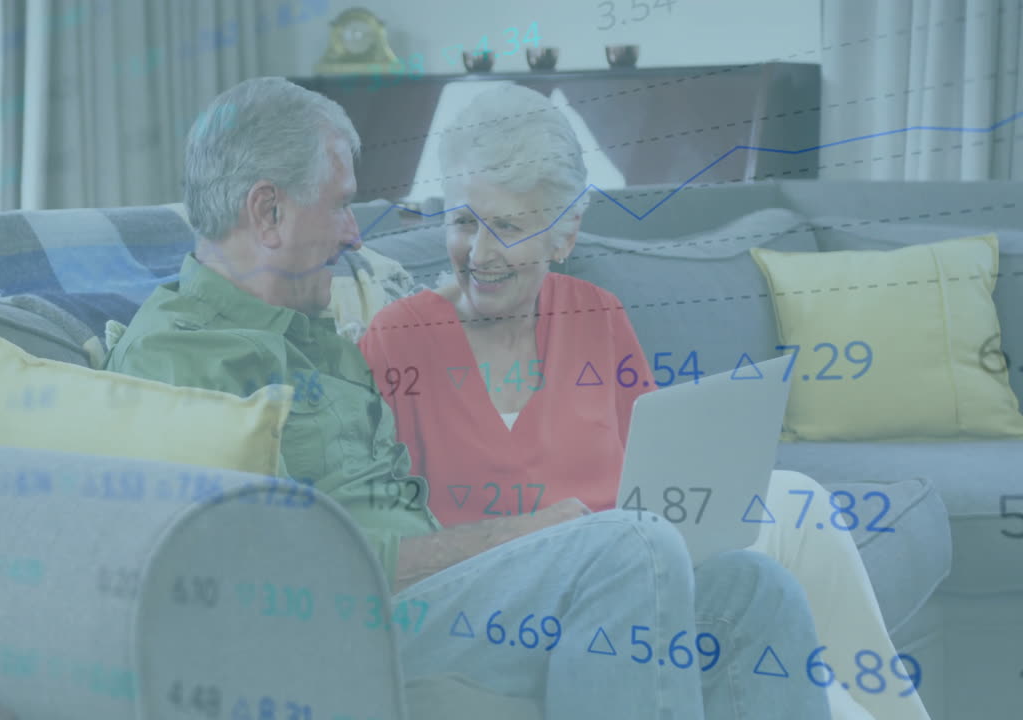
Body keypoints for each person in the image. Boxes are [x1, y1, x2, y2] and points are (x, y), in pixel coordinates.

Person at [106, 76, 833, 719]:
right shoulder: (180, 357)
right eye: (340, 206)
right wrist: (524, 535)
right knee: (629, 550)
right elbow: (272, 572)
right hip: (355, 621)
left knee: (749, 589)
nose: (358, 234)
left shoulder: (314, 330)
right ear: (266, 213)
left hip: (443, 592)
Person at [358, 83, 931, 720]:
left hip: (635, 597)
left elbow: (661, 480)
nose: (481, 253)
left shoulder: (597, 316)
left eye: (510, 227)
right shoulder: (400, 340)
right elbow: (383, 550)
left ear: (564, 232)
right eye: (465, 221)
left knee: (759, 585)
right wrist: (537, 535)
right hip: (503, 615)